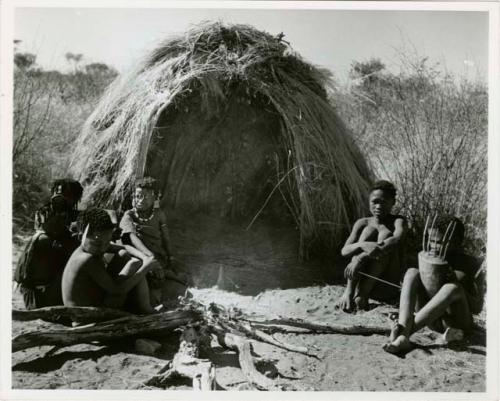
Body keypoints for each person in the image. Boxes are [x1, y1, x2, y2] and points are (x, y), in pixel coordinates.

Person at [383, 215, 481, 354]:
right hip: (430, 321)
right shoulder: (426, 257)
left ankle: (403, 334)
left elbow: (477, 307)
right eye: (431, 240)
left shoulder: (469, 263)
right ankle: (403, 330)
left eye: (439, 242)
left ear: (457, 242)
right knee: (412, 272)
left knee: (452, 288)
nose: (433, 246)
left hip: (456, 323)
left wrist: (458, 285)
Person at [62, 208, 157, 315]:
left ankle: (145, 306)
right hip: (87, 317)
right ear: (81, 237)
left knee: (123, 254)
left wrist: (145, 258)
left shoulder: (91, 246)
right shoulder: (86, 259)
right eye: (98, 244)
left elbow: (124, 247)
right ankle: (146, 308)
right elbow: (118, 291)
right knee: (134, 264)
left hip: (96, 302)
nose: (103, 249)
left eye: (107, 243)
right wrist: (146, 268)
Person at [335, 180, 407, 312]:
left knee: (385, 236)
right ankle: (350, 292)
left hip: (385, 284)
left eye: (384, 202)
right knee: (369, 231)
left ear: (393, 202)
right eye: (375, 202)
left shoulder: (398, 221)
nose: (378, 206)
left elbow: (396, 239)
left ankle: (362, 295)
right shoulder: (363, 222)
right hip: (361, 279)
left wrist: (361, 257)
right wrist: (363, 245)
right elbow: (344, 251)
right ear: (369, 202)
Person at [14, 178, 83, 310]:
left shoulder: (77, 215)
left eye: (66, 194)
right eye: (57, 192)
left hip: (60, 274)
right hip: (40, 281)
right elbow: (48, 231)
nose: (60, 196)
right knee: (42, 240)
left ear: (75, 198)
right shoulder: (44, 212)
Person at [119, 177, 189, 304]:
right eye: (137, 196)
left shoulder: (159, 214)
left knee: (164, 270)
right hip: (141, 255)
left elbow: (165, 237)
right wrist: (149, 256)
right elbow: (132, 237)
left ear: (155, 198)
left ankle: (170, 276)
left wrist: (170, 255)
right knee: (151, 274)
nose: (140, 200)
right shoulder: (129, 215)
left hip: (157, 253)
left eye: (145, 197)